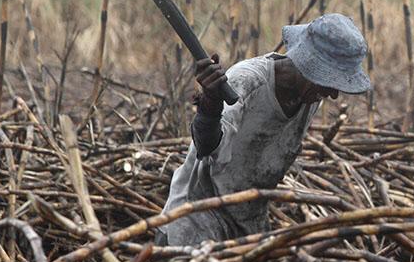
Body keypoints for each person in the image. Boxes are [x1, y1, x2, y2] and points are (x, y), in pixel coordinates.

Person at [157, 13, 371, 246]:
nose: (333, 94)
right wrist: (210, 104)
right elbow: (206, 147)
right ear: (306, 65)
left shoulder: (309, 96)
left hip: (246, 227)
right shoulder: (247, 82)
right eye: (329, 82)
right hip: (195, 220)